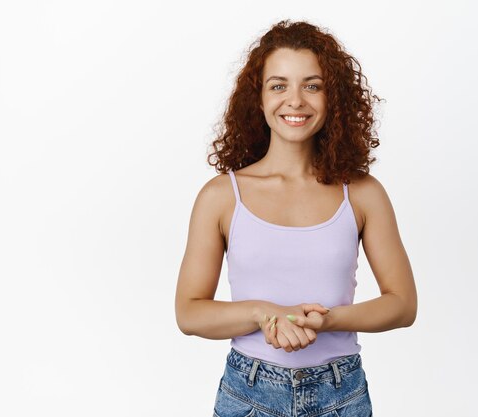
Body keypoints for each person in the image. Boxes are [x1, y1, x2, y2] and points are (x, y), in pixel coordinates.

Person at [175, 19, 417, 417]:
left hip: (341, 393)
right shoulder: (220, 196)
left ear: (331, 96)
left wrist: (329, 319)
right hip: (249, 393)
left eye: (312, 85)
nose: (295, 100)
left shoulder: (361, 193)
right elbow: (189, 311)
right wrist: (261, 312)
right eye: (278, 85)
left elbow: (403, 304)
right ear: (259, 97)